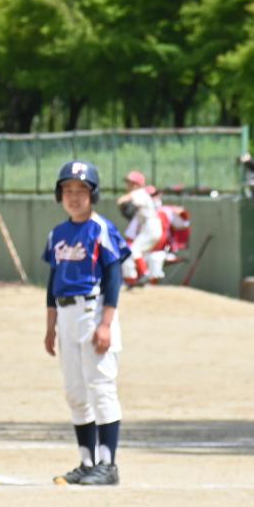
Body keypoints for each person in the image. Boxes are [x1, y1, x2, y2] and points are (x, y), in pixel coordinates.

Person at [42, 160, 128, 487]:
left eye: (81, 190)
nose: (74, 197)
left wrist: (106, 323)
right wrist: (50, 327)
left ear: (93, 195)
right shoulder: (57, 234)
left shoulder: (101, 229)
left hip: (93, 312)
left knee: (101, 387)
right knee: (75, 392)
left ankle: (108, 465)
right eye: (68, 190)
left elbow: (114, 278)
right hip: (65, 316)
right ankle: (87, 462)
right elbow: (52, 284)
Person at [116, 171, 166, 286]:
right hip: (149, 226)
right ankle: (135, 279)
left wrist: (121, 202)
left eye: (130, 183)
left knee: (133, 250)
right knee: (135, 252)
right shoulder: (141, 194)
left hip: (150, 226)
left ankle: (144, 274)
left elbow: (122, 200)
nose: (127, 185)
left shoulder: (139, 192)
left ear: (137, 184)